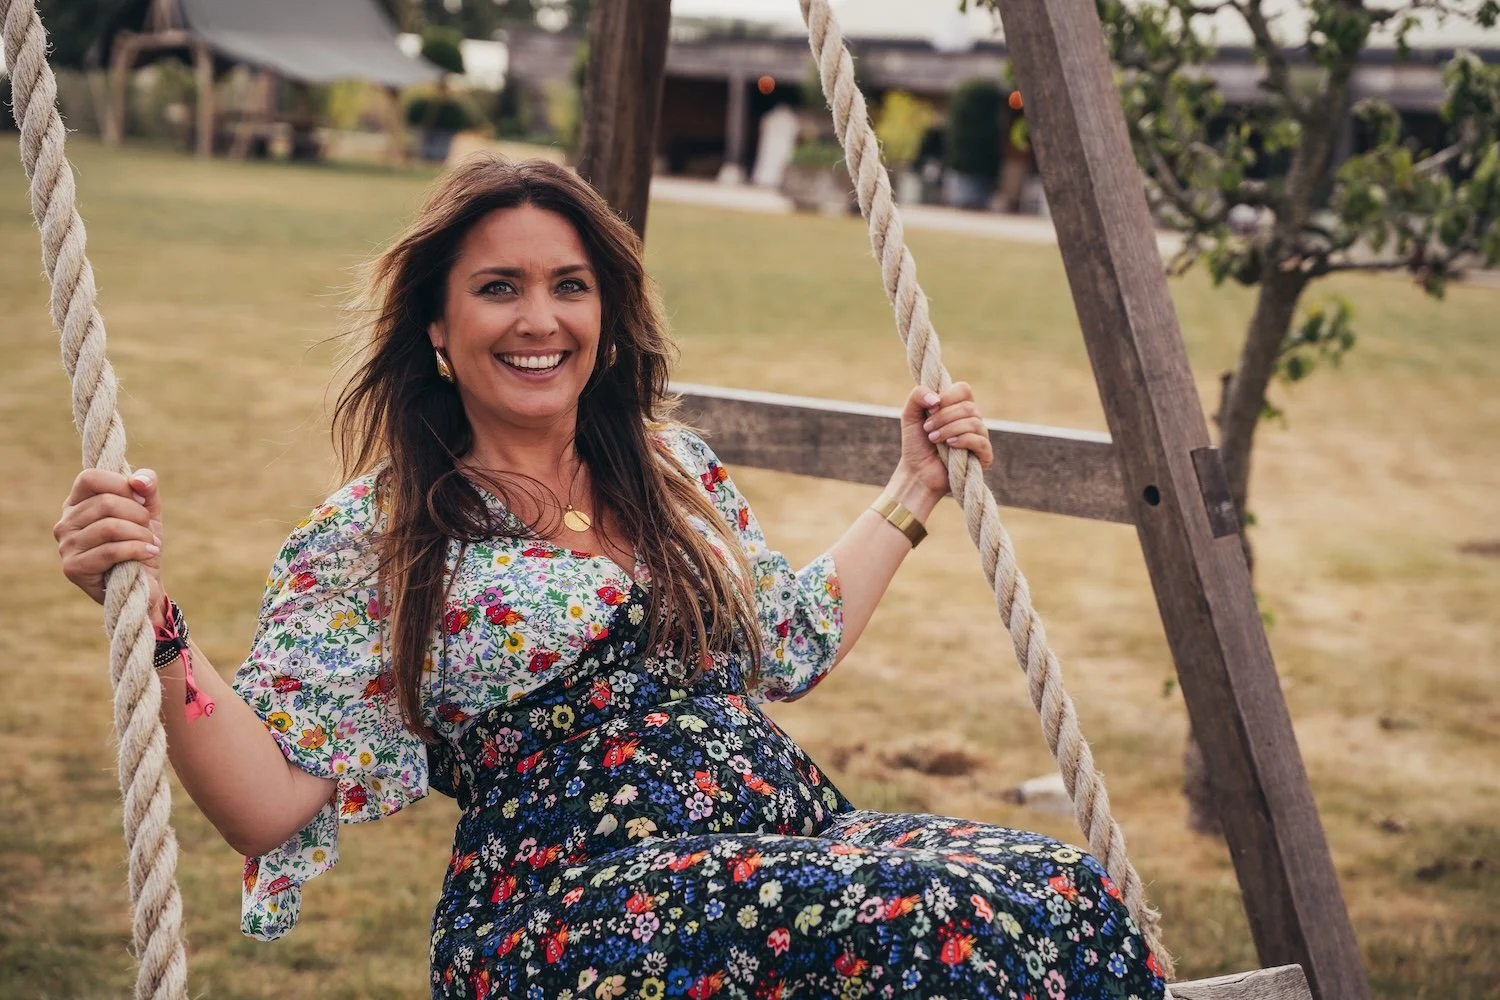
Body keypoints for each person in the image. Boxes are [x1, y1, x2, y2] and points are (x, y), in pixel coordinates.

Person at [54, 156, 1165, 999]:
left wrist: (914, 488)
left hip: (785, 849)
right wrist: (151, 628)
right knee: (937, 915)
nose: (540, 320)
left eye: (569, 286)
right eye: (498, 288)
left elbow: (789, 637)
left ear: (606, 313)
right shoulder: (380, 537)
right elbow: (266, 802)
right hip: (581, 907)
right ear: (439, 327)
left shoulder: (670, 469)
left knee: (1064, 889)